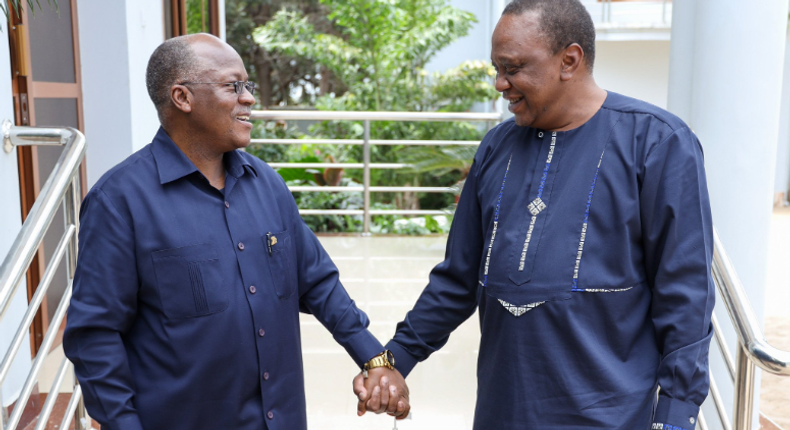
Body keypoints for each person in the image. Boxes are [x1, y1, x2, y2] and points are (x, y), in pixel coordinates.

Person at [354, 1, 714, 429]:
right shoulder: (496, 148)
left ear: (570, 60)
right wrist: (394, 360)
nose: (499, 83)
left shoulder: (657, 143)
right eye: (497, 68)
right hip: (503, 412)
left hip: (611, 417)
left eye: (513, 68)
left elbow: (685, 295)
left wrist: (675, 413)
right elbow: (458, 278)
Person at [63, 33, 408, 430]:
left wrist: (374, 359)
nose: (248, 98)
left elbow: (317, 281)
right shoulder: (119, 201)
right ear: (182, 97)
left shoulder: (268, 185)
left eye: (248, 86)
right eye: (233, 86)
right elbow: (94, 335)